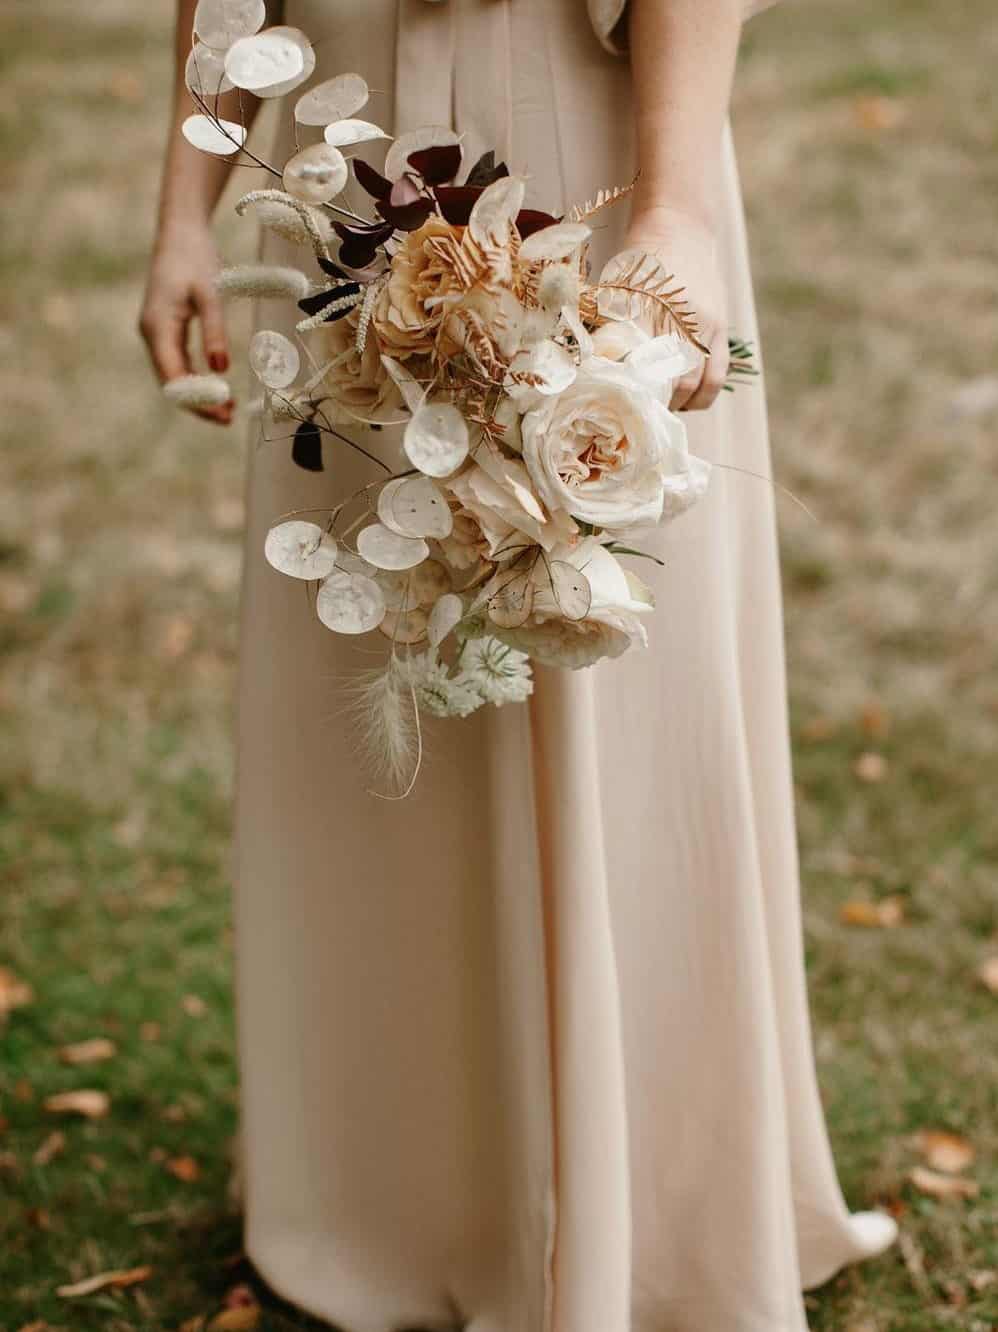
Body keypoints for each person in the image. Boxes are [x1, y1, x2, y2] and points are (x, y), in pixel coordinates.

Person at [140, 2, 898, 1328]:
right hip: (333, 139)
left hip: (580, 115)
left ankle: (653, 1211)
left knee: (603, 647)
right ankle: (389, 1190)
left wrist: (673, 205)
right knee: (370, 651)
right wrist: (186, 209)